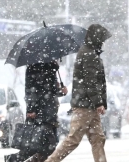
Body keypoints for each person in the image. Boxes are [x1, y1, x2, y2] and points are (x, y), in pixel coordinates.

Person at [45, 24, 112, 162]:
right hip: (85, 106)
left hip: (89, 105)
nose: (103, 42)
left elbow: (93, 81)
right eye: (102, 39)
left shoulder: (90, 52)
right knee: (73, 140)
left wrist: (98, 103)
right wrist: (98, 102)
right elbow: (90, 81)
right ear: (96, 38)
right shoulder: (89, 54)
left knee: (98, 138)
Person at [5, 61, 68, 162]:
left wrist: (61, 91)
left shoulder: (51, 68)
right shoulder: (35, 66)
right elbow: (30, 90)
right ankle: (14, 159)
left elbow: (51, 90)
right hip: (40, 112)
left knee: (40, 145)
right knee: (45, 145)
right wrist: (31, 109)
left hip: (51, 112)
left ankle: (13, 159)